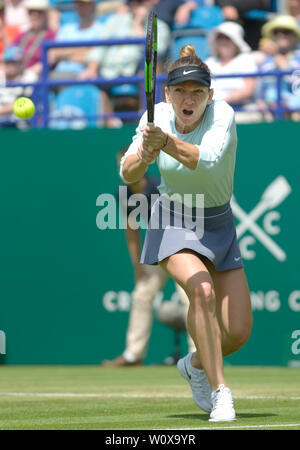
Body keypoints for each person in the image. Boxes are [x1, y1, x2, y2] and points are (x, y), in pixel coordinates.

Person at [119, 44, 253, 421]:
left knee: (238, 332)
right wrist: (144, 155)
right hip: (173, 218)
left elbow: (205, 161)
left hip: (219, 222)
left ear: (210, 95)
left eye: (197, 91)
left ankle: (195, 364)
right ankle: (220, 391)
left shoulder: (223, 115)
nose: (188, 99)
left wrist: (165, 143)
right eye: (180, 91)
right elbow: (126, 174)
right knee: (201, 289)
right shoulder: (156, 115)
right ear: (167, 94)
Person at [102, 147, 196, 367]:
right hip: (156, 250)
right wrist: (137, 266)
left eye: (125, 163)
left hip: (180, 246)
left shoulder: (159, 186)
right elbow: (131, 230)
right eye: (120, 165)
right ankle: (133, 354)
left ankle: (197, 354)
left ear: (140, 164)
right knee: (142, 295)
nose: (122, 169)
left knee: (189, 298)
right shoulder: (123, 193)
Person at [205, 21, 259, 123]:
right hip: (210, 111)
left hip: (241, 110)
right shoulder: (209, 62)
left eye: (227, 38)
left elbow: (249, 90)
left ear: (236, 42)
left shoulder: (246, 59)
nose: (223, 42)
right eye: (220, 38)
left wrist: (222, 101)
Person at [259, 14, 300, 120]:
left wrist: (284, 68)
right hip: (272, 107)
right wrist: (260, 101)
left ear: (294, 36)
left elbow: (297, 86)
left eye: (286, 32)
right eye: (277, 32)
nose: (281, 35)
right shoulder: (267, 61)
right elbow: (263, 86)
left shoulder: (298, 57)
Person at [12, 0, 56, 80]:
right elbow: (9, 55)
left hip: (37, 77)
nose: (35, 15)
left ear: (46, 14)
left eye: (39, 12)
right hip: (14, 73)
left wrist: (29, 72)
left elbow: (50, 59)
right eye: (31, 12)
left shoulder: (51, 36)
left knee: (30, 78)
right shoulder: (20, 36)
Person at [0, 45, 35, 124]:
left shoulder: (29, 77)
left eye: (14, 62)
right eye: (8, 62)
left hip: (19, 121)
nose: (10, 66)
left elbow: (21, 104)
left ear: (21, 63)